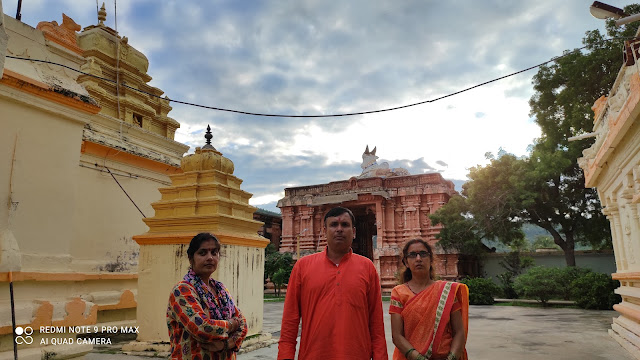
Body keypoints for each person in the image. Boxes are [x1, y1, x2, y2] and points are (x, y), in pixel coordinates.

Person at [278, 206, 388, 360]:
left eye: (345, 225)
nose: (339, 229)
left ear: (354, 232)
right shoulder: (303, 267)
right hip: (313, 355)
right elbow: (290, 321)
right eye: (333, 225)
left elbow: (376, 324)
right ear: (324, 231)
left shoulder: (367, 267)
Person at [167, 232, 248, 360]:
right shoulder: (182, 290)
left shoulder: (221, 290)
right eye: (203, 253)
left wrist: (225, 345)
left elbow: (243, 324)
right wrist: (232, 325)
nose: (210, 258)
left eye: (214, 253)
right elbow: (202, 327)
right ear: (190, 258)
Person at [390, 239, 469, 360]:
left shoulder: (446, 290)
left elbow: (459, 331)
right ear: (406, 262)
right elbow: (397, 336)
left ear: (431, 259)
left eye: (423, 254)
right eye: (412, 255)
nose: (418, 259)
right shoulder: (399, 292)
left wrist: (452, 357)